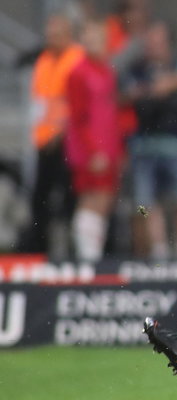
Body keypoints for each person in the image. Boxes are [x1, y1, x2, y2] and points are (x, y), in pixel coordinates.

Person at [123, 20, 177, 259]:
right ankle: (156, 248)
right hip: (144, 145)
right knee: (143, 203)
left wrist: (172, 82)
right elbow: (124, 93)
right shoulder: (136, 68)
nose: (153, 46)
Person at [18, 14, 85, 255]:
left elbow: (76, 102)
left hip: (68, 140)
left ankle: (71, 250)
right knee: (40, 198)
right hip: (45, 139)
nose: (51, 40)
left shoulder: (77, 59)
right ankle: (39, 249)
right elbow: (41, 101)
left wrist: (62, 128)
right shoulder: (44, 60)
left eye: (56, 35)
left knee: (69, 198)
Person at [65, 19, 121, 262]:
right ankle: (87, 255)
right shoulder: (78, 73)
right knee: (91, 197)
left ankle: (93, 252)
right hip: (90, 148)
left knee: (105, 199)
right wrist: (91, 149)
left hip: (107, 144)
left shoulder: (107, 71)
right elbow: (79, 117)